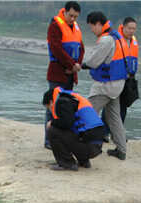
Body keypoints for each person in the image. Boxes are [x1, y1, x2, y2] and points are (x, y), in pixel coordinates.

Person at [82, 11, 127, 161]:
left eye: (91, 27)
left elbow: (93, 61)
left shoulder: (106, 40)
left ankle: (81, 144)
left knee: (86, 112)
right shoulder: (118, 36)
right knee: (114, 117)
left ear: (98, 24)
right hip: (118, 84)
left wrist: (81, 65)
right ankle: (121, 149)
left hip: (105, 86)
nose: (91, 30)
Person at [45, 1, 85, 150]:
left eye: (76, 17)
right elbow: (56, 48)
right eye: (71, 15)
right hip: (57, 73)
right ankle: (48, 140)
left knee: (67, 107)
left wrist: (76, 66)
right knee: (53, 106)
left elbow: (81, 48)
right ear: (65, 12)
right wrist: (71, 65)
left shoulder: (75, 27)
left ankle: (63, 138)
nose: (73, 19)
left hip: (70, 75)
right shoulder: (55, 25)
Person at [42, 87, 104, 171]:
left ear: (51, 102)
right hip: (96, 146)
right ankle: (83, 161)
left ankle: (67, 163)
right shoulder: (71, 100)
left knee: (52, 130)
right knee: (71, 130)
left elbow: (67, 123)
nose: (49, 109)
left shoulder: (62, 102)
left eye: (48, 106)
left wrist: (52, 123)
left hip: (90, 148)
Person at [101, 17, 138, 140]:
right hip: (114, 79)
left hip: (128, 80)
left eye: (134, 29)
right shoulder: (115, 39)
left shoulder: (133, 42)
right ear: (123, 27)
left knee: (123, 108)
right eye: (130, 28)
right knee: (109, 106)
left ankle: (117, 134)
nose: (132, 31)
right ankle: (104, 132)